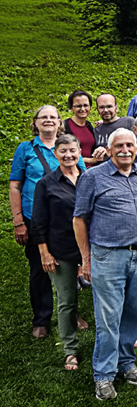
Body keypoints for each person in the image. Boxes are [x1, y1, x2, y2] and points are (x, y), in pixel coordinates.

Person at [73, 129, 137, 400]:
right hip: (108, 255)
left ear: (136, 148)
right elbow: (79, 219)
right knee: (108, 318)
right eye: (118, 145)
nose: (125, 149)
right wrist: (86, 258)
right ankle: (104, 375)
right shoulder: (92, 177)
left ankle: (126, 362)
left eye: (129, 145)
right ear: (109, 150)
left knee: (134, 314)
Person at [10, 106, 84, 339]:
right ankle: (42, 317)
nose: (49, 121)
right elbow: (15, 185)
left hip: (66, 220)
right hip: (36, 218)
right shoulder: (26, 149)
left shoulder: (68, 147)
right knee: (39, 269)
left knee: (70, 267)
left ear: (60, 122)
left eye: (53, 117)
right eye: (44, 117)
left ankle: (70, 312)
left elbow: (82, 175)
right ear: (36, 122)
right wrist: (18, 221)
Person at [32, 134, 86, 370]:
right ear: (55, 154)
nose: (68, 155)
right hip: (61, 250)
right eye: (63, 151)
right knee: (67, 301)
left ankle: (118, 341)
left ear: (79, 151)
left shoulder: (89, 178)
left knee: (107, 296)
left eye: (72, 150)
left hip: (92, 250)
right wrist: (44, 252)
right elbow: (38, 220)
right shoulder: (46, 183)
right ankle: (70, 350)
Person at [63, 90, 104, 166]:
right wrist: (89, 160)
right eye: (78, 106)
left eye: (85, 105)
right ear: (71, 108)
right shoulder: (65, 126)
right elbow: (62, 153)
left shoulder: (88, 125)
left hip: (90, 171)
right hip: (74, 171)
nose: (82, 109)